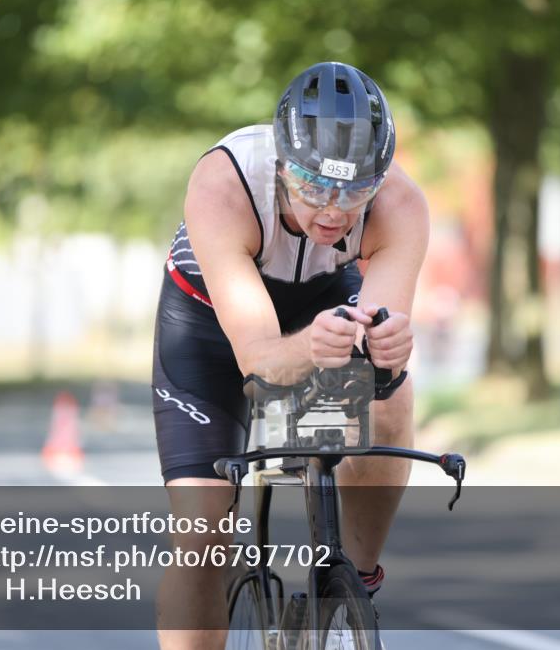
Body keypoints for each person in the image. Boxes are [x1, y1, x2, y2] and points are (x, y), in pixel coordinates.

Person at [151, 62, 429, 649]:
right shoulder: (223, 185)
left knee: (393, 399)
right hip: (208, 320)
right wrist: (309, 347)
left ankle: (353, 583)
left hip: (324, 296)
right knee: (202, 534)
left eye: (355, 191)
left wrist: (387, 352)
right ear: (282, 165)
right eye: (313, 187)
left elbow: (380, 359)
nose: (333, 211)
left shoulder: (400, 204)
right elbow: (258, 359)